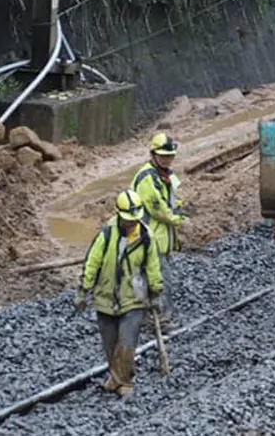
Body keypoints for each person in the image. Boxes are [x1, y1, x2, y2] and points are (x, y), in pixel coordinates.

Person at [74, 190, 164, 397]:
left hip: (133, 298)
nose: (132, 224)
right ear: (119, 215)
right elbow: (92, 263)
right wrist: (83, 290)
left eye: (135, 220)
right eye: (128, 220)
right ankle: (115, 377)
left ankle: (125, 382)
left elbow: (153, 267)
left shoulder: (146, 238)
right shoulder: (106, 236)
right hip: (105, 298)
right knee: (110, 343)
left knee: (127, 341)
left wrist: (156, 291)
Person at [133, 133, 187, 330]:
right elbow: (158, 209)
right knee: (159, 279)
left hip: (160, 238)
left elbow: (172, 201)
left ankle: (149, 315)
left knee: (153, 278)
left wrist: (180, 208)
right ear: (153, 154)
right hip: (150, 237)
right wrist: (179, 219)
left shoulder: (165, 175)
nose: (167, 159)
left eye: (170, 156)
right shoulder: (148, 178)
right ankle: (161, 320)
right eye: (163, 156)